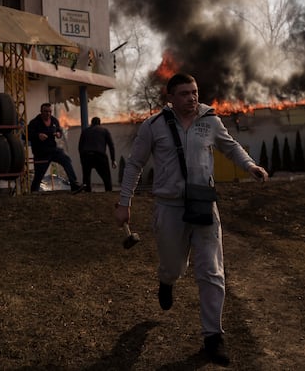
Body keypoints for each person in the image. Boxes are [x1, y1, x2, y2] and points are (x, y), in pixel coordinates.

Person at [114, 73, 268, 366]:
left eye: (195, 92)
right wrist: (124, 203)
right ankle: (166, 280)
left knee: (211, 271)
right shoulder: (153, 126)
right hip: (168, 206)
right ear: (169, 97)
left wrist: (250, 165)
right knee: (174, 265)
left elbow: (230, 146)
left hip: (203, 204)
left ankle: (213, 337)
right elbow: (134, 164)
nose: (192, 98)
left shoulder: (210, 120)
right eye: (184, 93)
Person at [28, 102, 84, 193]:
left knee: (66, 159)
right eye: (46, 111)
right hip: (41, 153)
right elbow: (26, 135)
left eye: (50, 111)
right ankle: (34, 192)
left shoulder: (54, 120)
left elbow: (59, 130)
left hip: (53, 150)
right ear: (41, 111)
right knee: (39, 175)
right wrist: (38, 135)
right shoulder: (34, 122)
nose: (48, 114)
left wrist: (59, 134)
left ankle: (74, 184)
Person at [78, 117, 117, 192]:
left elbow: (80, 146)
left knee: (86, 177)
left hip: (86, 155)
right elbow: (111, 145)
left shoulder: (85, 131)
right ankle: (108, 192)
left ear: (91, 123)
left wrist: (82, 158)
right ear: (100, 123)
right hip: (100, 156)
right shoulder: (104, 131)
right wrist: (113, 159)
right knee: (106, 177)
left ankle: (87, 192)